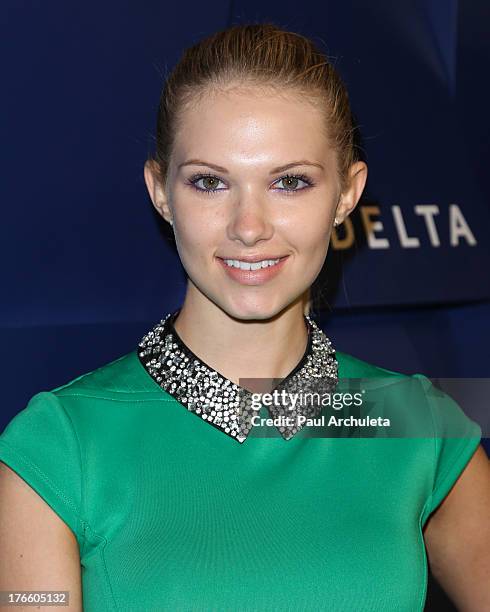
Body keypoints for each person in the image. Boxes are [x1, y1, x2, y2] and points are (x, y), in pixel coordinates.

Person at [1, 22, 489, 612]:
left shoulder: (415, 423)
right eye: (209, 182)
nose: (249, 226)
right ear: (160, 192)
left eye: (290, 182)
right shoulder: (61, 445)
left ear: (346, 194)